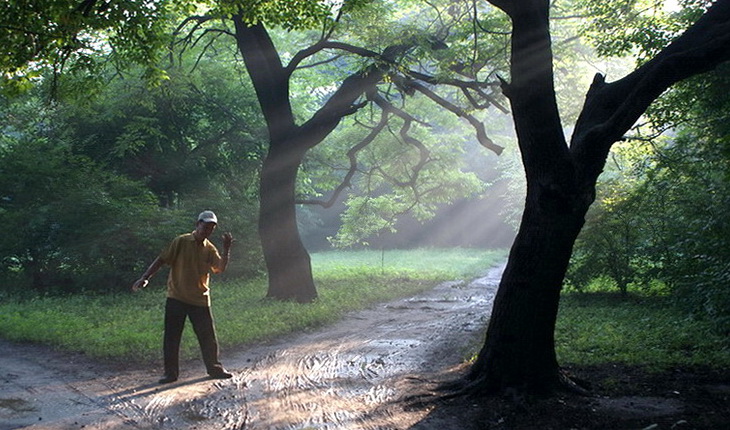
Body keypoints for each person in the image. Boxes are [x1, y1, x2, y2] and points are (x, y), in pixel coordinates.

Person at [132, 210, 234, 384]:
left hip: (200, 299)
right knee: (172, 337)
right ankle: (170, 373)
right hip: (177, 296)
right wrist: (145, 277)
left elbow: (219, 268)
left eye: (211, 228)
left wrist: (226, 249)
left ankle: (214, 368)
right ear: (197, 224)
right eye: (205, 226)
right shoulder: (181, 241)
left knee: (208, 337)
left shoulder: (209, 248)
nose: (207, 230)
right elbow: (162, 259)